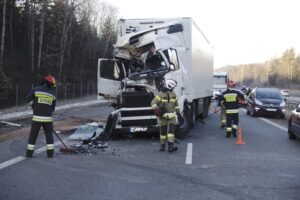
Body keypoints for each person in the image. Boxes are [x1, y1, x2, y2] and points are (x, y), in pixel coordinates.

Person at [25, 75, 57, 158]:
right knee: (49, 136)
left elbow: (27, 99)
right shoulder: (53, 94)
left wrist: (34, 105)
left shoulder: (35, 90)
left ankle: (29, 154)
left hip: (36, 118)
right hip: (48, 119)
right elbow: (52, 109)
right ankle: (50, 154)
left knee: (33, 136)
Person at [151, 79, 179, 152]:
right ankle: (162, 146)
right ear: (170, 86)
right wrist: (155, 109)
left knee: (171, 132)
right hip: (163, 117)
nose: (174, 88)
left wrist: (178, 113)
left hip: (172, 117)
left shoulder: (174, 94)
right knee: (163, 132)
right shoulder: (160, 94)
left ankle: (170, 147)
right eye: (173, 87)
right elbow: (153, 102)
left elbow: (176, 105)